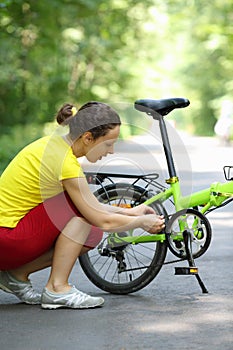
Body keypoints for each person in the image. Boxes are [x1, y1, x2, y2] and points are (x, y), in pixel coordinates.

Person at [0, 101, 165, 309]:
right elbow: (98, 217)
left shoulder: (55, 147)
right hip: (6, 238)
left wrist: (133, 213)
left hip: (8, 237)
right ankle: (57, 288)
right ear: (88, 138)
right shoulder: (65, 163)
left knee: (91, 233)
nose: (112, 151)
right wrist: (140, 222)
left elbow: (89, 206)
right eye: (108, 143)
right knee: (85, 218)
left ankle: (15, 275)